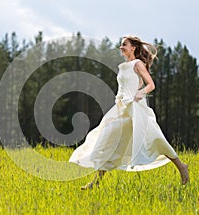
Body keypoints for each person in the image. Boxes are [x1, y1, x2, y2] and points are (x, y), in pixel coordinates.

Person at [69, 35, 189, 190]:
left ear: (133, 47)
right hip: (121, 108)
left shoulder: (137, 64)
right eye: (120, 44)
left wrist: (141, 92)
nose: (121, 47)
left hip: (136, 107)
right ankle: (96, 183)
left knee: (154, 138)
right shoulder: (124, 66)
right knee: (109, 139)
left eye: (124, 44)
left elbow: (151, 84)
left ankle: (181, 166)